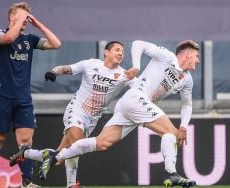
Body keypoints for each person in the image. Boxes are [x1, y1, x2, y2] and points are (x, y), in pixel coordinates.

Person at [38, 40, 199, 187]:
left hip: (132, 106)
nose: (198, 60)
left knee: (102, 143)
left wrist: (184, 127)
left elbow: (187, 105)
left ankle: (56, 156)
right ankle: (171, 173)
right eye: (196, 56)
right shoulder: (167, 56)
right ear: (188, 53)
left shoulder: (187, 79)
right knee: (170, 133)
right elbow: (137, 44)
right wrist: (136, 66)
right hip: (137, 99)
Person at [9, 41, 135, 188]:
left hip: (92, 119)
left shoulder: (124, 75)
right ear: (106, 52)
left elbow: (141, 89)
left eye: (122, 52)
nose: (120, 53)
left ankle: (27, 154)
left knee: (60, 156)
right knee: (77, 142)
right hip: (76, 111)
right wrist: (54, 72)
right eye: (117, 50)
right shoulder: (91, 64)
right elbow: (66, 68)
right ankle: (71, 185)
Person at [0, 2, 61, 188]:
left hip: (24, 98)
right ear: (11, 17)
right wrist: (19, 21)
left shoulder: (30, 39)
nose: (25, 20)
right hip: (3, 96)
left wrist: (38, 24)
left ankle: (27, 182)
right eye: (21, 16)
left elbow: (55, 43)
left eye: (26, 17)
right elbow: (9, 38)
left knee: (26, 142)